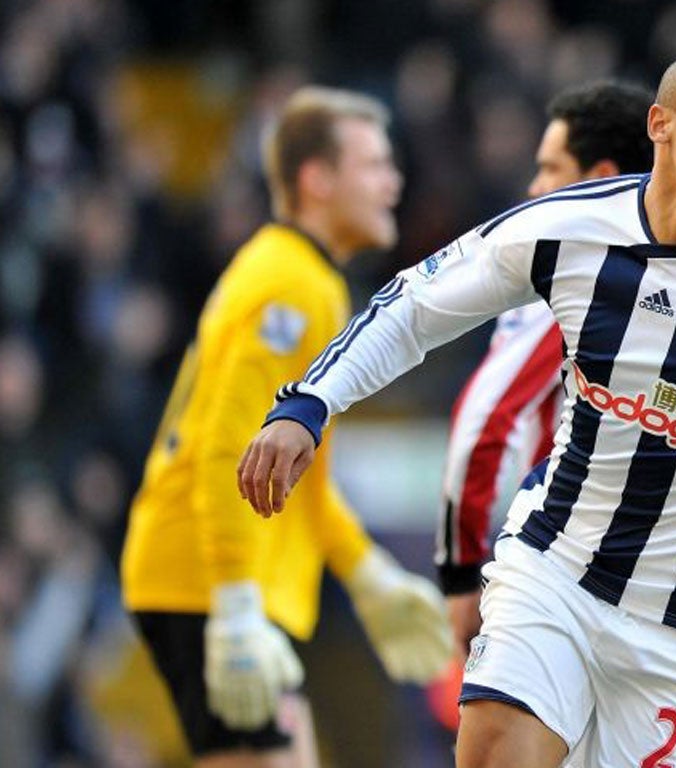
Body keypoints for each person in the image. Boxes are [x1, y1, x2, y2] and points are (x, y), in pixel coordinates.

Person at [238, 51, 676, 768]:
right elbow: (418, 307)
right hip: (557, 570)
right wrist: (308, 402)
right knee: (493, 752)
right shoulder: (567, 228)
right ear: (661, 123)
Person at [436, 79, 676, 732]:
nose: (534, 189)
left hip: (578, 586)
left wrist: (459, 572)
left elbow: (484, 422)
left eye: (549, 169)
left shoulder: (578, 281)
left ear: (602, 176)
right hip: (641, 602)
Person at [121, 87, 452, 767]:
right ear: (316, 179)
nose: (393, 183)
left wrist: (369, 576)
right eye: (374, 165)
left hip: (207, 579)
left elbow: (295, 477)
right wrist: (237, 606)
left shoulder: (303, 278)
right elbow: (226, 450)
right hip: (208, 584)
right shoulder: (290, 288)